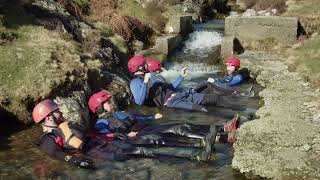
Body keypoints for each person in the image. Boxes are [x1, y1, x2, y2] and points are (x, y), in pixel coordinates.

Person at [32, 99, 232, 168]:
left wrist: (113, 136)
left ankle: (198, 148)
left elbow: (92, 135)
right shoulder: (47, 139)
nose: (61, 112)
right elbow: (55, 154)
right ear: (49, 116)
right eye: (56, 110)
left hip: (107, 144)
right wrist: (75, 161)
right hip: (101, 154)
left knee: (151, 144)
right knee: (147, 152)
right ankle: (196, 158)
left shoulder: (64, 126)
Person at [89, 90, 239, 158]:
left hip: (145, 127)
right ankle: (220, 139)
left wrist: (152, 117)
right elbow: (106, 136)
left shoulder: (118, 113)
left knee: (182, 124)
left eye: (109, 100)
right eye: (106, 102)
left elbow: (137, 118)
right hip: (137, 136)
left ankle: (222, 129)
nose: (110, 102)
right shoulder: (101, 122)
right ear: (99, 107)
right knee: (176, 129)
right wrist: (126, 135)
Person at [128, 55, 250, 112]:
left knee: (213, 98)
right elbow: (139, 101)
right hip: (170, 103)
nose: (146, 64)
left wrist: (181, 76)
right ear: (139, 67)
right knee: (201, 108)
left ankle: (240, 109)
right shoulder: (135, 82)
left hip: (179, 95)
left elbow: (170, 87)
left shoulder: (154, 76)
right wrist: (144, 82)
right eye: (144, 63)